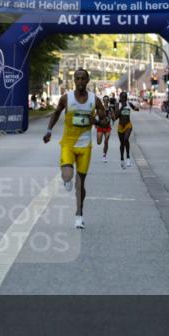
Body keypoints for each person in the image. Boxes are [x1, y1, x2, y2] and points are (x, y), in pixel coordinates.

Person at [43, 68, 106, 229]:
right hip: (68, 144)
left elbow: (105, 122)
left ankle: (79, 214)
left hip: (85, 147)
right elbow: (56, 113)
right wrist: (49, 130)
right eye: (77, 79)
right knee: (68, 175)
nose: (79, 82)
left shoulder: (95, 100)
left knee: (81, 183)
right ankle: (66, 179)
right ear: (74, 81)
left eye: (82, 79)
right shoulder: (66, 98)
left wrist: (96, 122)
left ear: (87, 80)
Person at [116, 90, 138, 168]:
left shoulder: (129, 104)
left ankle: (128, 157)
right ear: (120, 98)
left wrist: (136, 108)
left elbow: (136, 109)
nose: (124, 99)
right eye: (123, 97)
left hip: (128, 125)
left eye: (125, 97)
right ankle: (122, 159)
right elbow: (115, 117)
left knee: (126, 139)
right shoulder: (118, 105)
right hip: (120, 126)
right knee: (122, 144)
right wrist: (122, 107)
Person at [95, 94, 113, 163]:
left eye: (107, 100)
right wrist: (96, 123)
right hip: (100, 127)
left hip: (107, 127)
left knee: (106, 141)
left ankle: (104, 155)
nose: (106, 101)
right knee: (99, 142)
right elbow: (95, 116)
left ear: (108, 101)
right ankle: (99, 138)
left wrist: (111, 115)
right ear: (103, 101)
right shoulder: (100, 108)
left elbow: (114, 118)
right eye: (104, 100)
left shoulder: (110, 109)